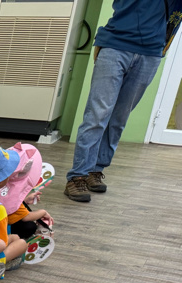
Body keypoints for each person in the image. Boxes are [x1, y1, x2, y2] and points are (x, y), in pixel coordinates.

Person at [65, 1, 172, 202]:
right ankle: (77, 176)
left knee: (118, 119)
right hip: (115, 46)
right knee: (97, 116)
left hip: (151, 53)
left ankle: (95, 170)